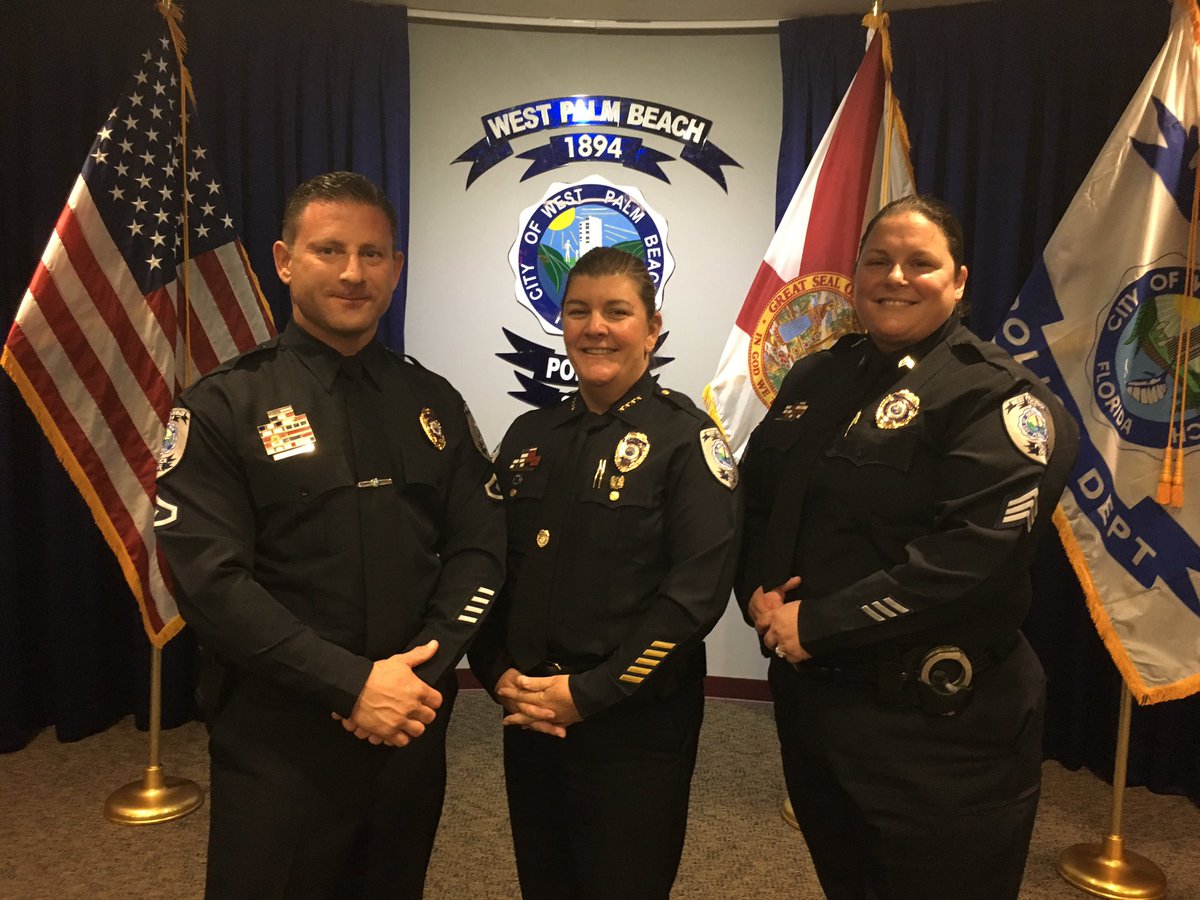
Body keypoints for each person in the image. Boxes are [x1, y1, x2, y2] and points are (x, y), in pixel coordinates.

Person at [154, 171, 505, 898]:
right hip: (281, 738)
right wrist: (351, 684)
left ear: (396, 268)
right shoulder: (224, 405)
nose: (353, 273)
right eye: (329, 250)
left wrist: (423, 668)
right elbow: (210, 584)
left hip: (410, 723)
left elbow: (480, 545)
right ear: (285, 261)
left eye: (372, 254)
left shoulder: (432, 400)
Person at [738, 195, 1079, 900]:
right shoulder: (817, 376)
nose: (895, 277)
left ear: (958, 280)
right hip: (819, 709)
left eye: (920, 263)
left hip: (937, 730)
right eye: (878, 260)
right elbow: (761, 498)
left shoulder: (995, 398)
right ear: (855, 274)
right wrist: (757, 592)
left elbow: (971, 559)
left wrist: (819, 622)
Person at [470, 246, 742, 899]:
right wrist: (495, 669)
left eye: (617, 312)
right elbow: (489, 564)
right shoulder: (531, 436)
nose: (596, 328)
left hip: (631, 722)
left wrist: (593, 691)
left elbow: (693, 597)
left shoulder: (686, 440)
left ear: (652, 329)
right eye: (579, 311)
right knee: (545, 879)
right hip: (530, 711)